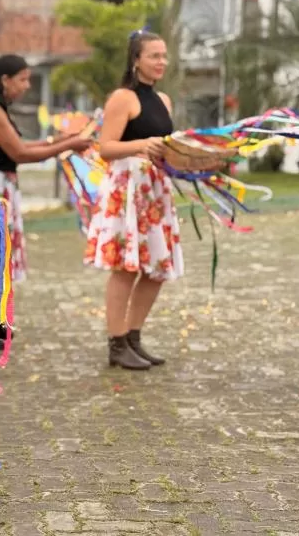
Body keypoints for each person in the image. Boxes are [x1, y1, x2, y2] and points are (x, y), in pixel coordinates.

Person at [0, 55, 92, 350]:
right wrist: (68, 145)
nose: (27, 86)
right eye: (23, 79)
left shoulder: (0, 108)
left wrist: (58, 140)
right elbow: (20, 153)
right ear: (5, 80)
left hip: (0, 186)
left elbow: (22, 145)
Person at [84, 30, 181, 371]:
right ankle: (116, 343)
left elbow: (165, 146)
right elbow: (105, 147)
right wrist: (142, 145)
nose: (161, 62)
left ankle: (133, 337)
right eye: (154, 55)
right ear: (136, 60)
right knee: (125, 268)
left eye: (164, 55)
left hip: (155, 188)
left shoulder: (164, 100)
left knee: (158, 268)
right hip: (127, 188)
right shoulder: (122, 98)